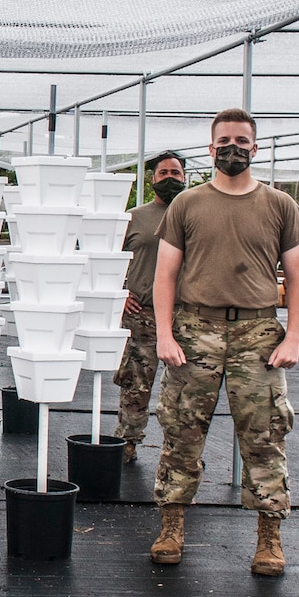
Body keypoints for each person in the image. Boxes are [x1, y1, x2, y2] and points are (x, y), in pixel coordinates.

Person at [150, 108, 299, 577]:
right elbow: (165, 275)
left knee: (265, 437)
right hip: (195, 329)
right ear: (210, 147)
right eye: (224, 141)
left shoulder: (280, 205)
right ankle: (172, 526)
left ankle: (268, 537)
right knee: (181, 432)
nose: (233, 147)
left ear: (255, 148)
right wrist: (163, 333)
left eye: (242, 140)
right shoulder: (187, 205)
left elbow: (298, 279)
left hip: (257, 333)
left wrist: (294, 336)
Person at [113, 151, 187, 464]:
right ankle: (127, 444)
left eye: (176, 173)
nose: (170, 179)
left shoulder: (193, 214)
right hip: (141, 315)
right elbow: (107, 260)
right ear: (153, 179)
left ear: (184, 178)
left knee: (185, 390)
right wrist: (119, 292)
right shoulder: (133, 217)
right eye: (164, 173)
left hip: (185, 315)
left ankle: (181, 452)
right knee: (135, 386)